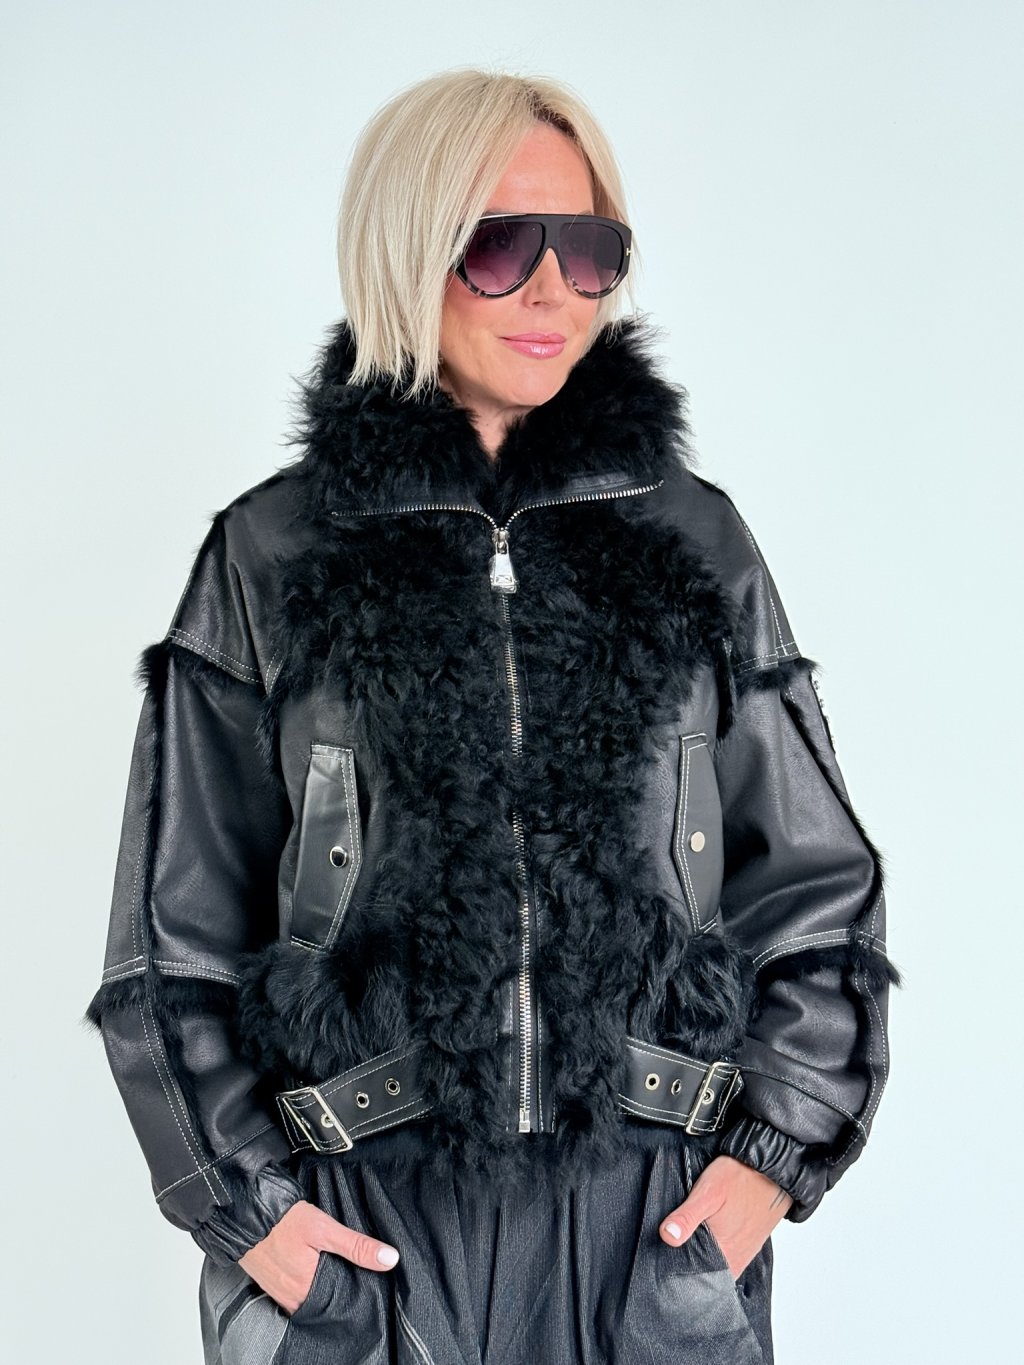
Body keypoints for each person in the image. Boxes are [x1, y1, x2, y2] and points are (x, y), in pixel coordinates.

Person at [87, 68, 899, 1365]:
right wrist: (254, 1211)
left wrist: (767, 1161)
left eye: (590, 249)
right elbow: (166, 939)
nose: (553, 289)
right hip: (369, 1232)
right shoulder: (272, 552)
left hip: (648, 1228)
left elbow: (816, 889)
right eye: (502, 244)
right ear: (407, 247)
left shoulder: (693, 541)